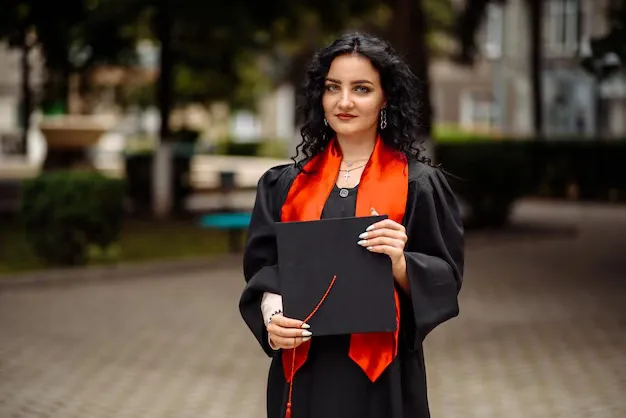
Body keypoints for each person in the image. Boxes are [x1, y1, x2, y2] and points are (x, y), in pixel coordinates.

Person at [239, 32, 464, 418]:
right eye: (332, 88)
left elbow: (445, 275)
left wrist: (400, 262)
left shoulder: (418, 184)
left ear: (384, 99)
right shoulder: (284, 185)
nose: (344, 102)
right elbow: (265, 271)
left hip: (382, 375)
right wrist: (272, 320)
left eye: (361, 89)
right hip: (303, 368)